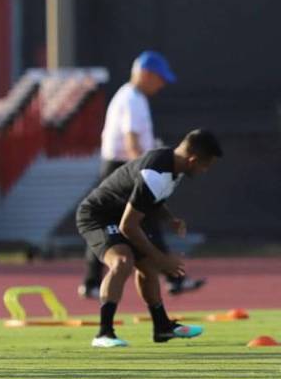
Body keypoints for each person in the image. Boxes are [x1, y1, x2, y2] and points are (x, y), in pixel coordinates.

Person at [74, 129, 221, 348]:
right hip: (98, 216)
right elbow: (128, 226)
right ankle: (104, 334)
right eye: (205, 165)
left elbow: (150, 199)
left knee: (148, 268)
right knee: (123, 262)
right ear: (192, 160)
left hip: (121, 213)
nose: (205, 171)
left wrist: (170, 218)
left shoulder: (174, 167)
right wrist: (161, 259)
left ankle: (162, 327)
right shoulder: (156, 174)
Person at [80, 51, 204, 300]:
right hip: (123, 167)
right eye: (159, 79)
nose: (162, 85)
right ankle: (172, 277)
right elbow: (132, 141)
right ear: (146, 75)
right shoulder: (132, 99)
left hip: (124, 166)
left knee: (135, 220)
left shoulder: (132, 97)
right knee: (138, 218)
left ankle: (94, 281)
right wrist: (146, 171)